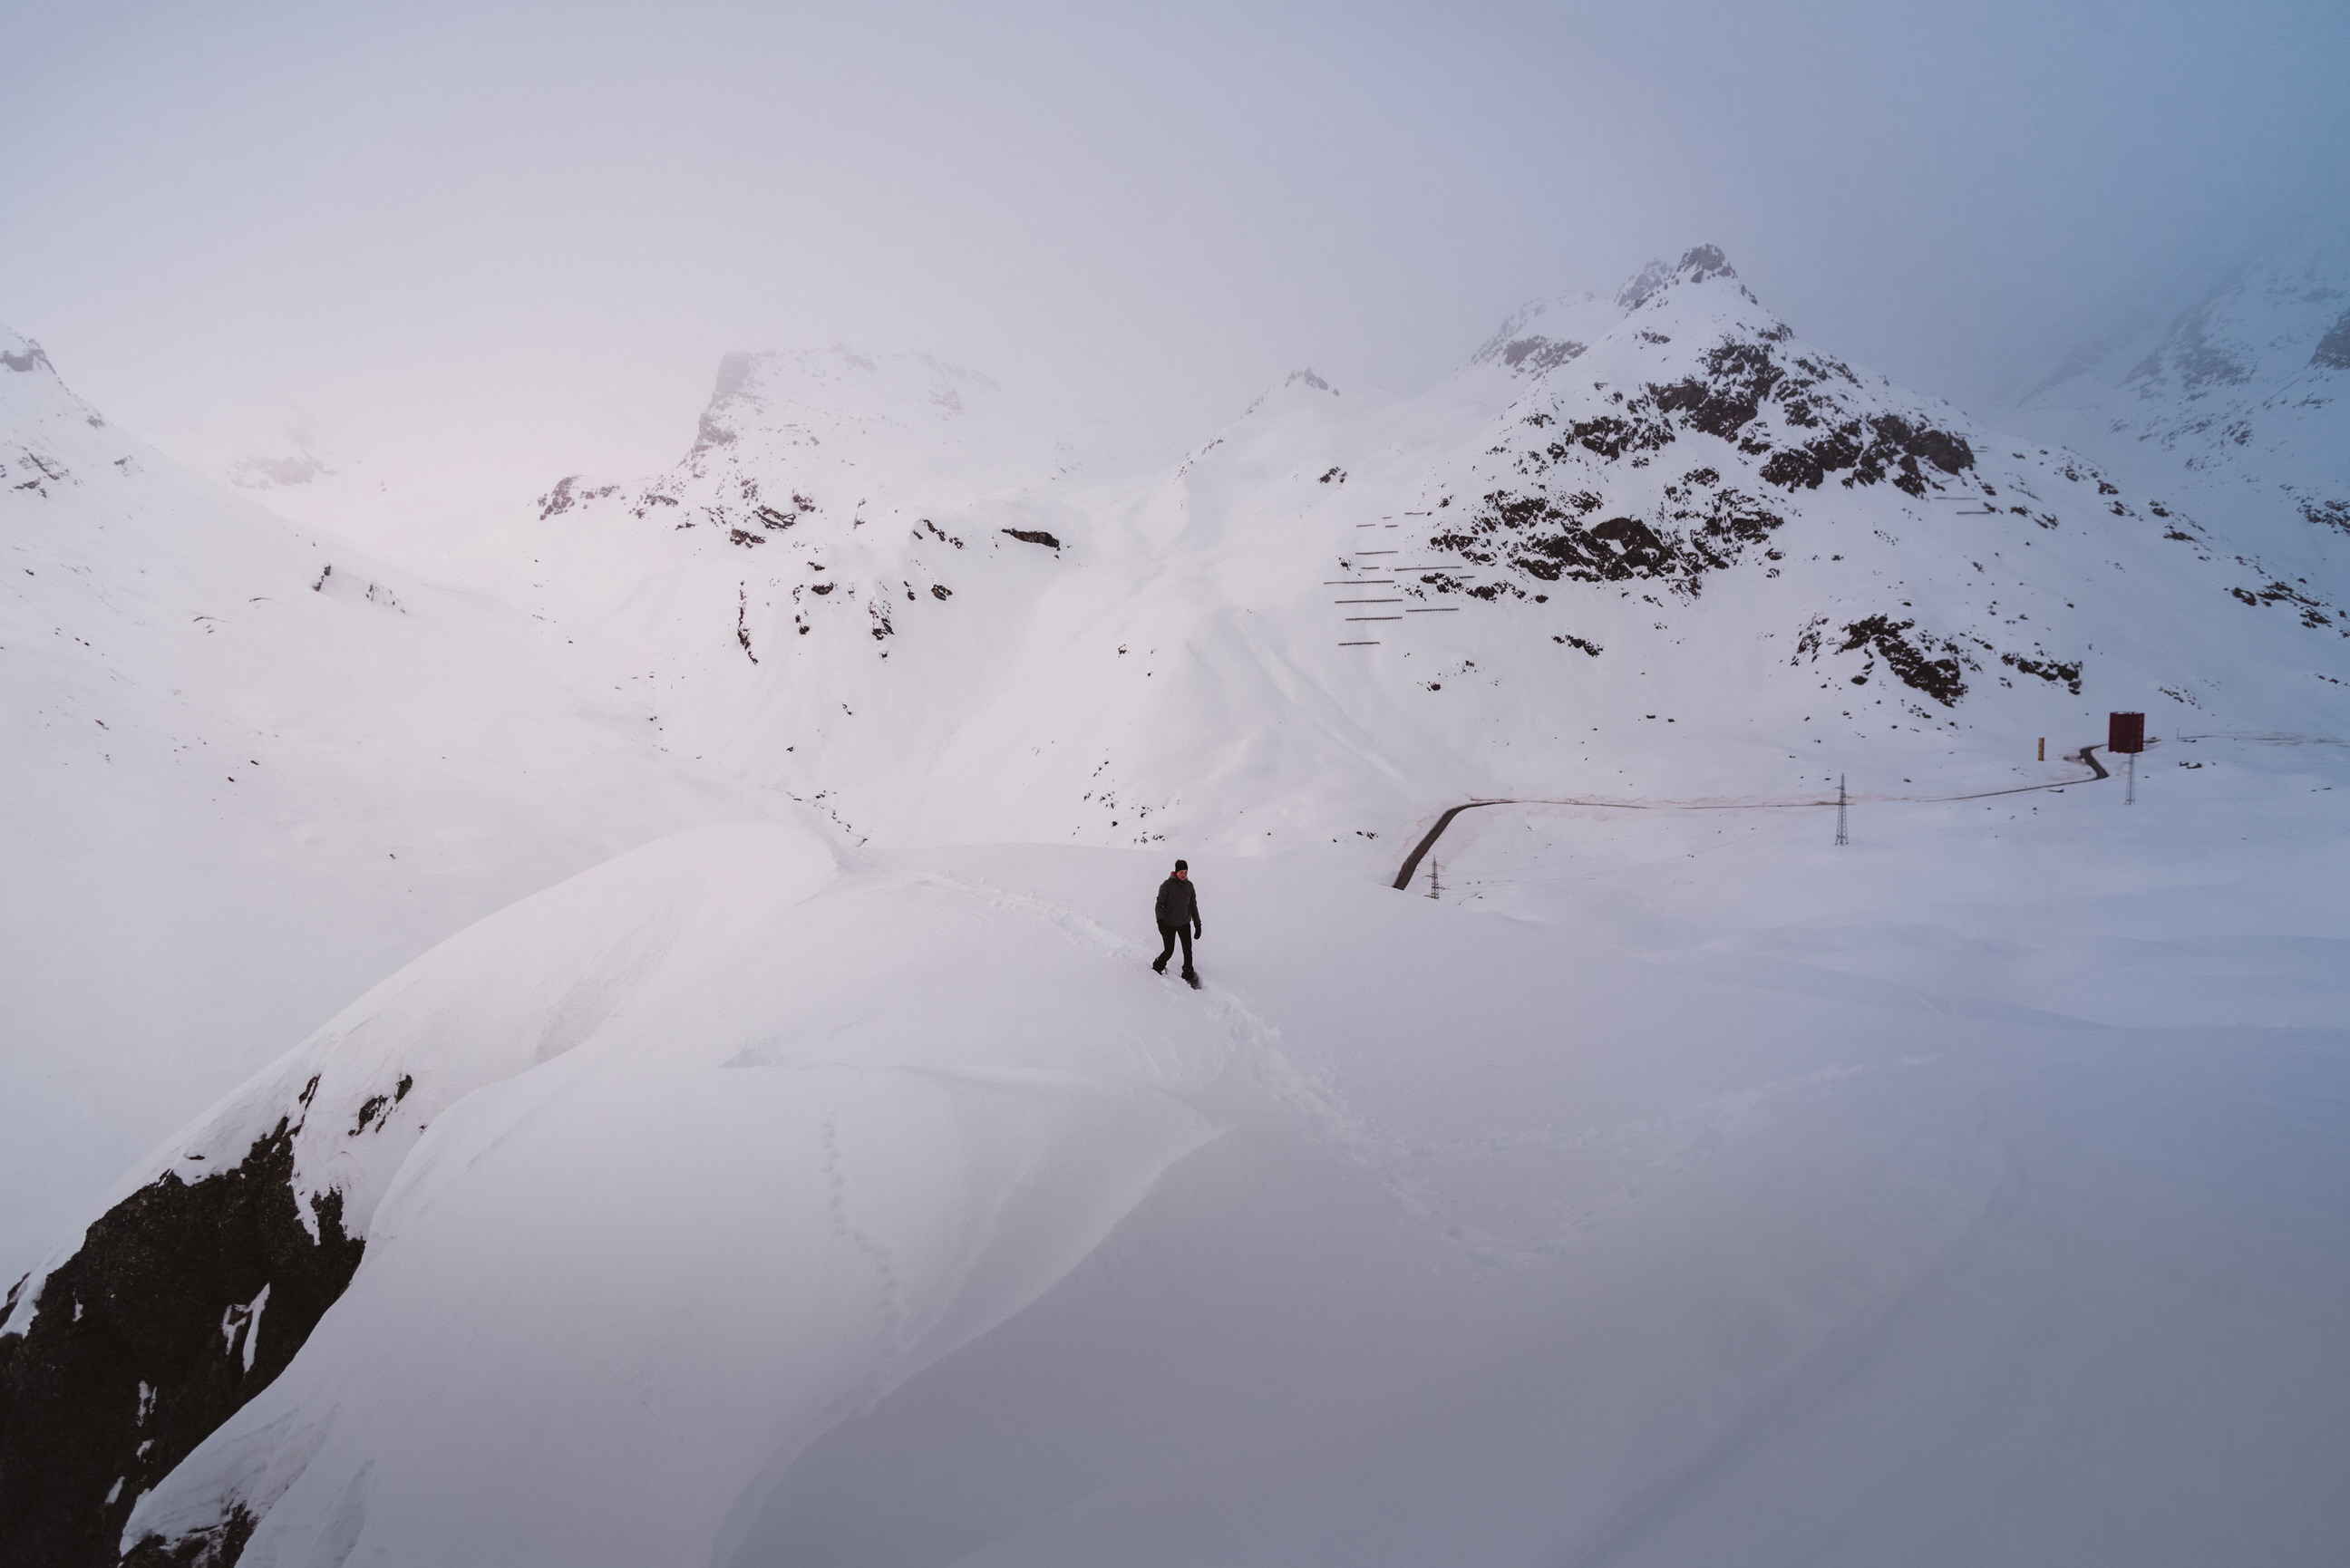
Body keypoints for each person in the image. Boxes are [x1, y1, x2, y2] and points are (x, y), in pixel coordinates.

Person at [1152, 859, 1203, 987]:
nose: (1183, 874)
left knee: (1188, 950)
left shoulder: (1189, 886)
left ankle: (1188, 972)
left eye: (1186, 872)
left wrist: (1198, 925)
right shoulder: (1167, 885)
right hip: (1169, 924)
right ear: (1176, 872)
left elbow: (1193, 906)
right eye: (1181, 872)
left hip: (1184, 923)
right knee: (1169, 950)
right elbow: (1159, 905)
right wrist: (1160, 921)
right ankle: (1158, 965)